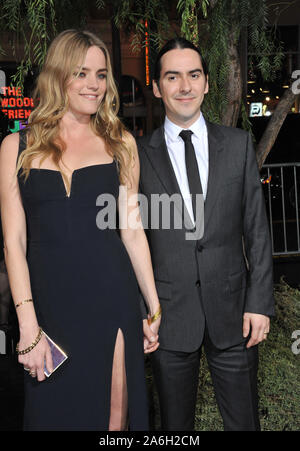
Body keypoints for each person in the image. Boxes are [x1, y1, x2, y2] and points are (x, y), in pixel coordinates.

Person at [0, 29, 161, 431]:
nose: (94, 84)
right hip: (48, 311)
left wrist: (153, 307)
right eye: (82, 72)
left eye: (102, 74)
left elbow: (132, 230)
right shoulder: (16, 147)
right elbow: (14, 243)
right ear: (58, 75)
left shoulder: (120, 142)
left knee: (114, 422)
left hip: (113, 301)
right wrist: (28, 327)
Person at [138, 37, 275, 431]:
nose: (185, 86)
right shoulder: (135, 155)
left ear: (207, 83)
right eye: (173, 76)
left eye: (194, 75)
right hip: (166, 319)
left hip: (235, 315)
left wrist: (260, 302)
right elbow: (130, 240)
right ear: (157, 86)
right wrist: (141, 311)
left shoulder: (237, 145)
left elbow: (257, 230)